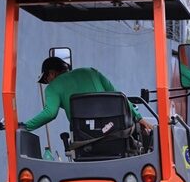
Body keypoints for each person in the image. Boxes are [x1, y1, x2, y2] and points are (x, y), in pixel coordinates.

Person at [24, 57, 152, 133]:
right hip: (113, 130)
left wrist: (25, 127)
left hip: (83, 137)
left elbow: (50, 113)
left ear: (52, 74)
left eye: (46, 79)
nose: (47, 83)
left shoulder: (53, 87)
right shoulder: (91, 72)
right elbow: (118, 95)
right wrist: (139, 118)